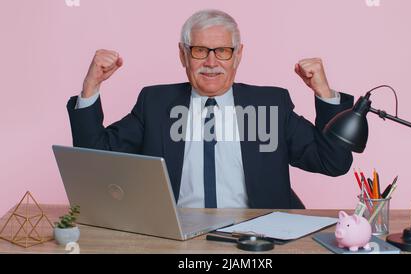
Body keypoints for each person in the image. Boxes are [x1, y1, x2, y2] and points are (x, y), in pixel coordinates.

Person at [67, 9, 354, 209]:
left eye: (224, 51)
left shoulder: (271, 104)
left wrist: (325, 94)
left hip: (260, 235)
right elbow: (95, 157)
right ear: (183, 54)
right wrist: (90, 87)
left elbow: (333, 162)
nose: (212, 62)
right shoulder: (155, 104)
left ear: (238, 55)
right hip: (179, 235)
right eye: (200, 50)